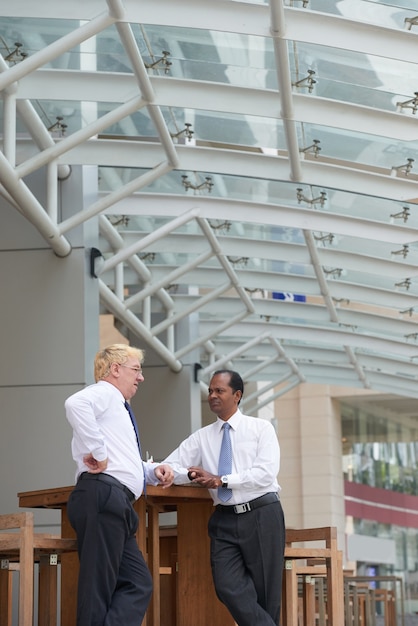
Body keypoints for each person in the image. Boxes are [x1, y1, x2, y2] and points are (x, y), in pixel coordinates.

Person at [164, 369, 285, 626]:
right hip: (224, 520)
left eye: (219, 391)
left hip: (262, 515)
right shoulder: (202, 437)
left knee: (266, 596)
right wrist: (190, 473)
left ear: (237, 395)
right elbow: (169, 467)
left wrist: (222, 479)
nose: (212, 396)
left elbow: (265, 474)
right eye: (210, 391)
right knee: (226, 586)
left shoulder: (260, 429)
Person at [65, 343, 174, 626]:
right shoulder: (106, 393)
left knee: (138, 582)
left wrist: (152, 471)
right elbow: (75, 404)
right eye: (136, 370)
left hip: (116, 501)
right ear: (115, 370)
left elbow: (124, 462)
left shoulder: (116, 406)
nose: (141, 377)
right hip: (104, 495)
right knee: (98, 589)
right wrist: (99, 453)